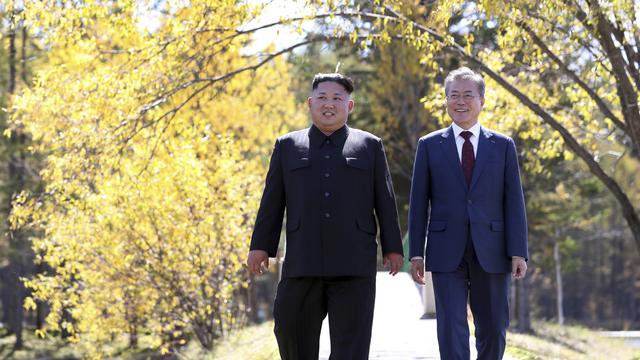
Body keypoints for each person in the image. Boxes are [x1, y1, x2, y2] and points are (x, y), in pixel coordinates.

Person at [247, 72, 404, 360]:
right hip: (302, 261)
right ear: (310, 103)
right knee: (289, 332)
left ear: (350, 106)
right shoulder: (287, 145)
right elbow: (272, 201)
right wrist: (260, 246)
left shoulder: (370, 145)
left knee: (351, 349)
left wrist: (393, 247)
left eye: (337, 98)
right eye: (322, 97)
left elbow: (385, 199)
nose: (329, 104)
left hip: (354, 263)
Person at [408, 67, 528, 360]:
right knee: (451, 327)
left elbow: (514, 201)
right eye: (454, 95)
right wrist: (416, 253)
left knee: (494, 326)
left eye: (468, 95)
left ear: (482, 101)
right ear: (446, 100)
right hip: (446, 249)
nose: (460, 102)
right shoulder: (429, 145)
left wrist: (518, 251)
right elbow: (418, 201)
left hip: (494, 249)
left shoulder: (502, 146)